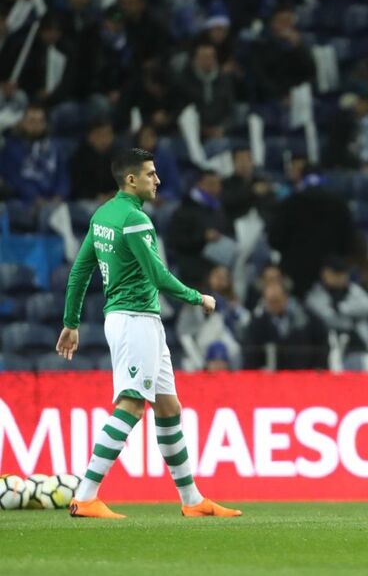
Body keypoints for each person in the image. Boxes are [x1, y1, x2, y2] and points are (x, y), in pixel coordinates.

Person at [55, 148, 241, 520]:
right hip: (134, 321)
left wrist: (71, 322)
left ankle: (191, 500)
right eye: (151, 174)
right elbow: (156, 275)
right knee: (131, 405)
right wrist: (197, 296)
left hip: (136, 322)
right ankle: (85, 495)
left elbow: (79, 272)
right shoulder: (136, 220)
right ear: (131, 179)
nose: (158, 180)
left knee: (169, 407)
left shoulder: (103, 215)